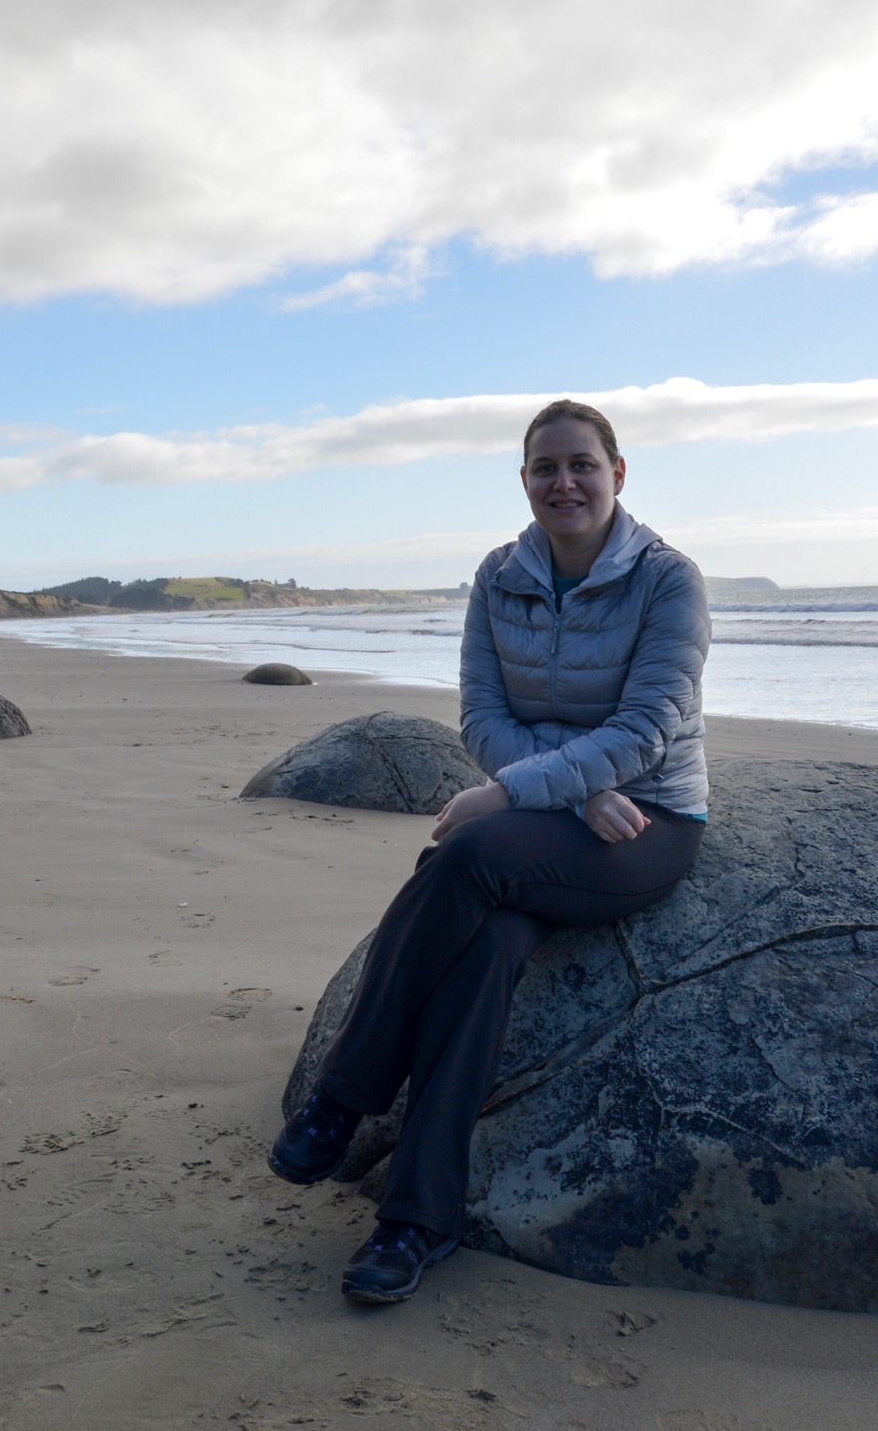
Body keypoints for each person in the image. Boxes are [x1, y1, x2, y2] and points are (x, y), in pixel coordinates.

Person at [267, 399, 711, 1303]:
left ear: (618, 474)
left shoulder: (670, 580)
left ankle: (342, 1100)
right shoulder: (498, 575)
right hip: (577, 812)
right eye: (546, 468)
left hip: (650, 823)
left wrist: (513, 793)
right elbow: (483, 717)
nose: (565, 482)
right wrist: (571, 790)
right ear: (524, 482)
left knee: (461, 857)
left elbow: (650, 727)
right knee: (490, 948)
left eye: (583, 464)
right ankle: (416, 1221)